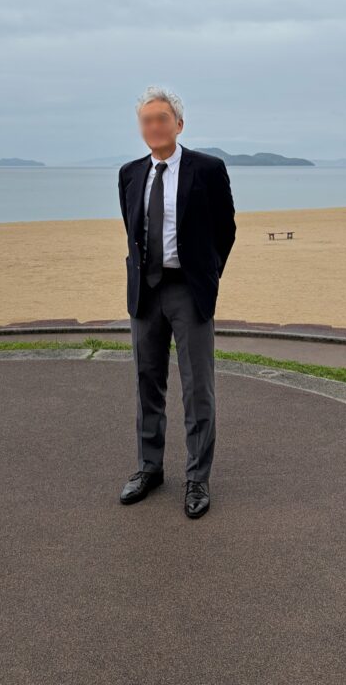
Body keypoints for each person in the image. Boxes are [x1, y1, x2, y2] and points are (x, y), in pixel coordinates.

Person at [117, 85, 236, 519]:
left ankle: (197, 478)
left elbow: (226, 230)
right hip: (145, 291)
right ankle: (149, 468)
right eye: (146, 121)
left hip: (189, 289)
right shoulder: (130, 174)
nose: (154, 126)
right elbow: (132, 229)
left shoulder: (207, 169)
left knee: (197, 386)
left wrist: (208, 277)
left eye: (162, 119)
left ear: (179, 124)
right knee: (147, 382)